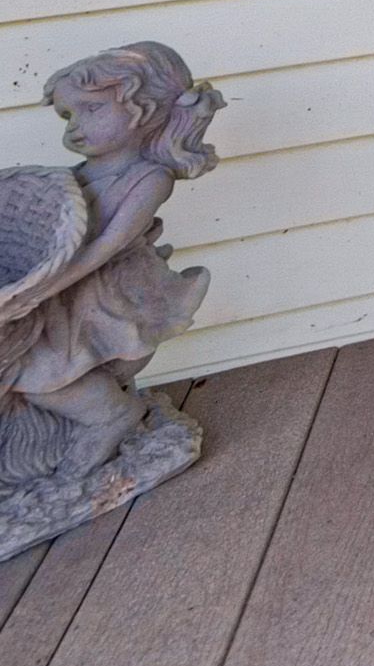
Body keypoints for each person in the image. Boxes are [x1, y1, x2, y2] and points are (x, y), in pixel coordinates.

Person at [0, 41, 222, 487]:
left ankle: (111, 416)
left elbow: (110, 244)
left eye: (91, 110)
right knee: (30, 363)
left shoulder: (149, 177)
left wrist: (45, 288)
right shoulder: (77, 173)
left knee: (41, 369)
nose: (75, 127)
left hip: (100, 294)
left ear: (146, 111)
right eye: (68, 116)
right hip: (57, 290)